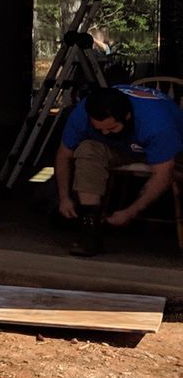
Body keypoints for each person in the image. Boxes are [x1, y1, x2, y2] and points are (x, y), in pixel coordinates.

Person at [55, 83, 180, 256]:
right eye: (100, 129)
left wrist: (131, 211)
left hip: (165, 149)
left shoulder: (157, 123)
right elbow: (63, 155)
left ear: (127, 116)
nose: (105, 133)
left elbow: (163, 174)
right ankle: (90, 228)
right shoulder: (82, 113)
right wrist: (64, 198)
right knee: (87, 149)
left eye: (111, 128)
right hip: (121, 148)